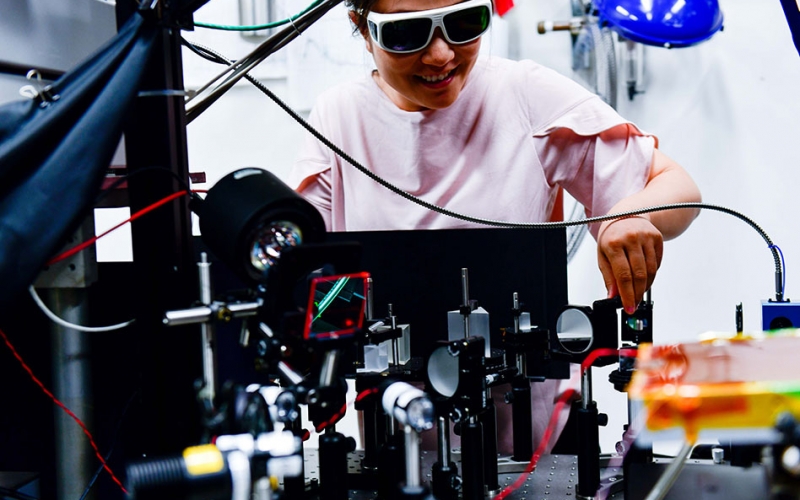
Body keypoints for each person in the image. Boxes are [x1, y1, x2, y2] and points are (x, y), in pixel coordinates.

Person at [289, 0, 701, 451]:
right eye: (408, 33)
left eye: (464, 24)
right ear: (362, 28)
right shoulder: (340, 117)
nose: (441, 55)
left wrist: (628, 215)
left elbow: (679, 188)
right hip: (395, 447)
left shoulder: (522, 94)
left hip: (534, 443)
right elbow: (304, 269)